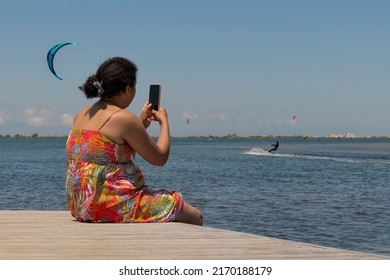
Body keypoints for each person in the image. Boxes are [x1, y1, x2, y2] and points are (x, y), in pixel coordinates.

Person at [65, 57, 203, 226]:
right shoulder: (123, 118)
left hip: (81, 206)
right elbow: (159, 158)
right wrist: (164, 123)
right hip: (110, 204)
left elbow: (108, 150)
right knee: (195, 215)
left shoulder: (83, 113)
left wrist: (141, 124)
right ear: (128, 88)